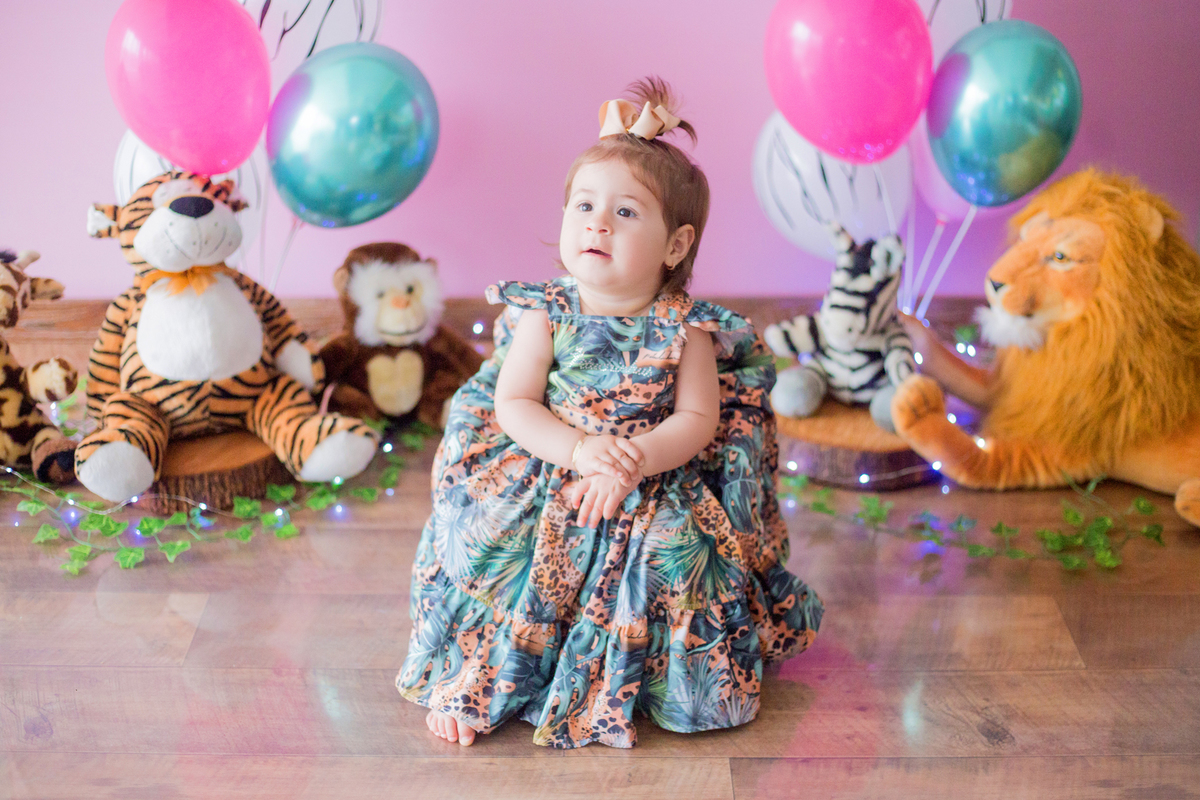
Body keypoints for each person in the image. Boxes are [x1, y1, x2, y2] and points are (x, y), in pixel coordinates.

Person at [396, 77, 823, 749]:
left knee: (678, 555)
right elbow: (514, 403)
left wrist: (631, 460)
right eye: (585, 205)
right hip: (549, 457)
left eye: (626, 213)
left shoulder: (689, 330)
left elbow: (697, 420)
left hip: (657, 473)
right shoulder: (546, 312)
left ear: (675, 246)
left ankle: (665, 683)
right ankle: (477, 674)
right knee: (495, 535)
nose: (597, 222)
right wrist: (579, 452)